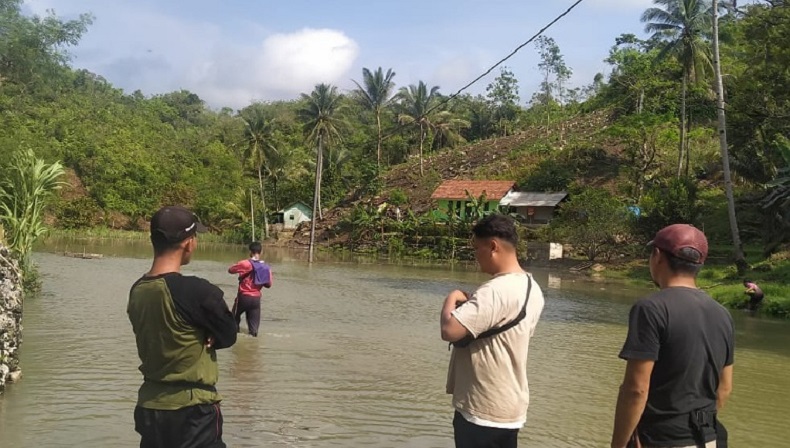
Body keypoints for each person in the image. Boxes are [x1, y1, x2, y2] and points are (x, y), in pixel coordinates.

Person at [611, 224, 735, 448]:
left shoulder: (650, 309)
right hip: (709, 438)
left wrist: (619, 445)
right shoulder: (722, 314)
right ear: (699, 264)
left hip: (660, 439)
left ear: (657, 256)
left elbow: (636, 388)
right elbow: (724, 387)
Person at [128, 205, 237, 448]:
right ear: (188, 243)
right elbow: (229, 334)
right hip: (192, 410)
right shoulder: (196, 291)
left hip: (150, 406)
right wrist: (211, 334)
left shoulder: (137, 290)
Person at [440, 214, 545, 448]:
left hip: (482, 408)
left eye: (477, 248)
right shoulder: (532, 287)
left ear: (493, 246)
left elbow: (450, 330)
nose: (476, 255)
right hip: (511, 407)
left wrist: (453, 297)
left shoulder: (495, 290)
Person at [228, 241, 273, 337]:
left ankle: (235, 339)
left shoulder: (245, 263)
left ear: (250, 252)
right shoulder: (266, 267)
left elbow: (230, 270)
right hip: (256, 299)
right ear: (261, 252)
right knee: (254, 332)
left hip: (243, 297)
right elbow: (268, 285)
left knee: (233, 319)